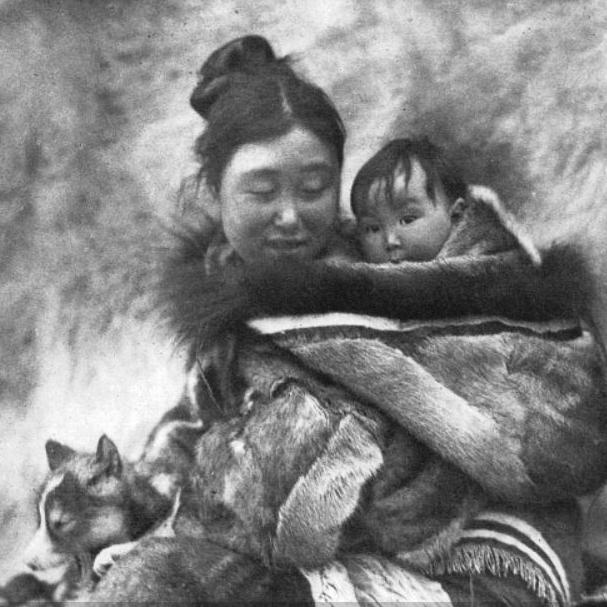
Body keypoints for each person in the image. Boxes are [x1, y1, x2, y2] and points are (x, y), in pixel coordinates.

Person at [85, 35, 607, 606]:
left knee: (154, 585)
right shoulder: (238, 289)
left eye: (313, 189)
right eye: (262, 190)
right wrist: (139, 497)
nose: (290, 216)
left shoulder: (365, 285)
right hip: (362, 549)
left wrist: (167, 533)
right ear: (215, 191)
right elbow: (198, 418)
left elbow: (303, 487)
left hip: (486, 560)